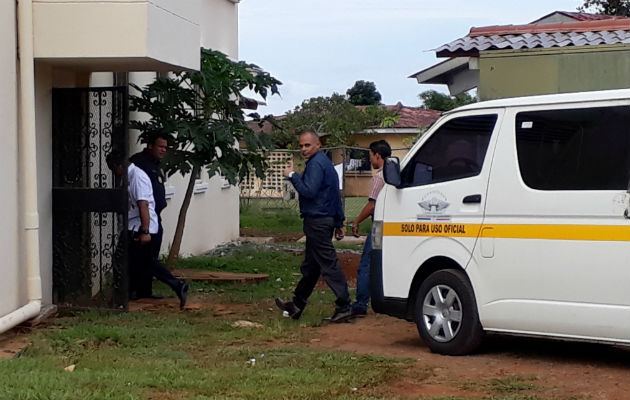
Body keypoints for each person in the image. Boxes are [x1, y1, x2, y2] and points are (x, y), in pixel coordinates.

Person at [275, 131, 352, 323]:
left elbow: (308, 191)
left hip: (317, 221)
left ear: (318, 145)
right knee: (311, 265)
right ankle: (296, 305)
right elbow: (334, 194)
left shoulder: (317, 164)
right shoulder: (325, 164)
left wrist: (292, 175)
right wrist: (338, 221)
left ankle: (345, 305)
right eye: (301, 146)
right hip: (323, 219)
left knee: (328, 263)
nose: (303, 149)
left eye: (307, 145)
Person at [106, 150, 189, 309]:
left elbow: (143, 205)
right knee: (139, 262)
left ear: (119, 166)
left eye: (113, 169)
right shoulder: (130, 177)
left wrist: (145, 232)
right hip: (135, 225)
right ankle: (129, 293)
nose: (114, 174)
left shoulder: (137, 177)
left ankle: (177, 285)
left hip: (141, 227)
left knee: (129, 261)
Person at [350, 140, 391, 317]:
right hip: (394, 224)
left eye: (370, 155)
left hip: (379, 226)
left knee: (366, 264)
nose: (370, 159)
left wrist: (357, 221)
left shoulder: (379, 177)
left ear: (377, 155)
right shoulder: (395, 173)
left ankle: (360, 303)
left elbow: (372, 205)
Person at [129, 135, 168, 299]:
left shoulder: (156, 164)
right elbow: (140, 197)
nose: (163, 150)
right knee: (138, 257)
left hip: (154, 217)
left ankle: (145, 291)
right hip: (140, 219)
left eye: (165, 148)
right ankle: (133, 291)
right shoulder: (140, 163)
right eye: (160, 146)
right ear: (150, 145)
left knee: (151, 254)